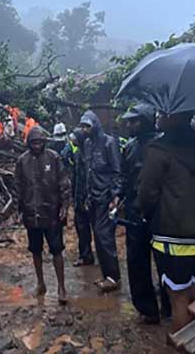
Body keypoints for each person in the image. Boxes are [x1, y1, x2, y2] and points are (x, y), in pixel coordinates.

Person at [137, 111, 195, 332]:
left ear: (175, 117)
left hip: (171, 234)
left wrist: (151, 215)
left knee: (178, 300)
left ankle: (181, 346)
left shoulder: (158, 151)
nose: (157, 116)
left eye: (162, 112)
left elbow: (146, 193)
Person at [120, 104, 170, 324]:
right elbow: (124, 177)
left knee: (165, 261)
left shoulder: (163, 144)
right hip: (134, 211)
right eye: (128, 120)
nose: (129, 124)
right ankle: (147, 309)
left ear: (146, 121)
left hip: (160, 211)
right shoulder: (129, 147)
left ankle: (169, 307)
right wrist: (118, 197)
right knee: (136, 261)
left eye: (134, 120)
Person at [15, 125, 71, 303]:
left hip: (52, 213)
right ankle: (41, 283)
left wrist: (65, 206)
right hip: (32, 213)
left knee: (57, 250)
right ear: (29, 143)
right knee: (36, 251)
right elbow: (18, 187)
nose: (37, 145)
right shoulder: (22, 161)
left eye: (39, 142)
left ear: (44, 142)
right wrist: (18, 210)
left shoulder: (53, 158)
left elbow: (64, 183)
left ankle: (61, 288)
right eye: (33, 142)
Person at [79, 110, 123, 292]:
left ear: (95, 125)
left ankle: (114, 277)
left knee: (104, 236)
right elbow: (88, 171)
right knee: (98, 236)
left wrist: (115, 195)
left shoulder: (109, 143)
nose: (84, 129)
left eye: (87, 126)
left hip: (106, 197)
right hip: (94, 197)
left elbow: (117, 171)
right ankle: (107, 275)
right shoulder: (88, 144)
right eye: (82, 126)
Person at [62, 129, 95, 267]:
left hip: (85, 198)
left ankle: (87, 255)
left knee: (85, 228)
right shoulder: (78, 153)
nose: (72, 139)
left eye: (74, 137)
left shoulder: (85, 155)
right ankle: (86, 254)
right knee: (83, 229)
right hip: (80, 197)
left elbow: (86, 179)